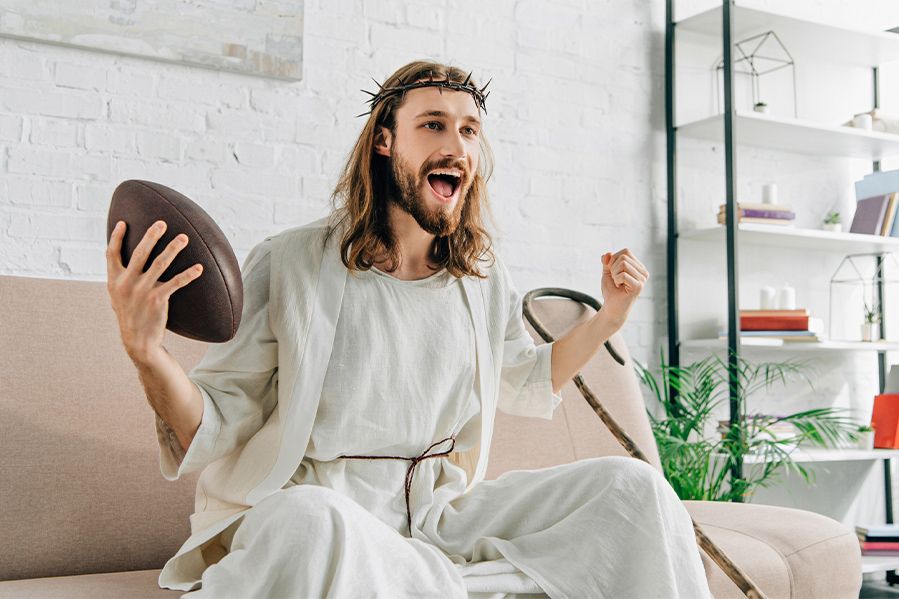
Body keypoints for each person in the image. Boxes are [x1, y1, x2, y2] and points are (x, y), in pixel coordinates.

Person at [106, 60, 711, 598]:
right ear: (385, 143)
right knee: (310, 524)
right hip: (326, 510)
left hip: (440, 516)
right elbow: (212, 420)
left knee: (633, 487)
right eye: (433, 124)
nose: (456, 144)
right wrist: (147, 352)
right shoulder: (290, 263)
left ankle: (429, 579)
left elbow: (524, 379)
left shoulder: (480, 275)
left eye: (469, 130)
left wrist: (610, 317)